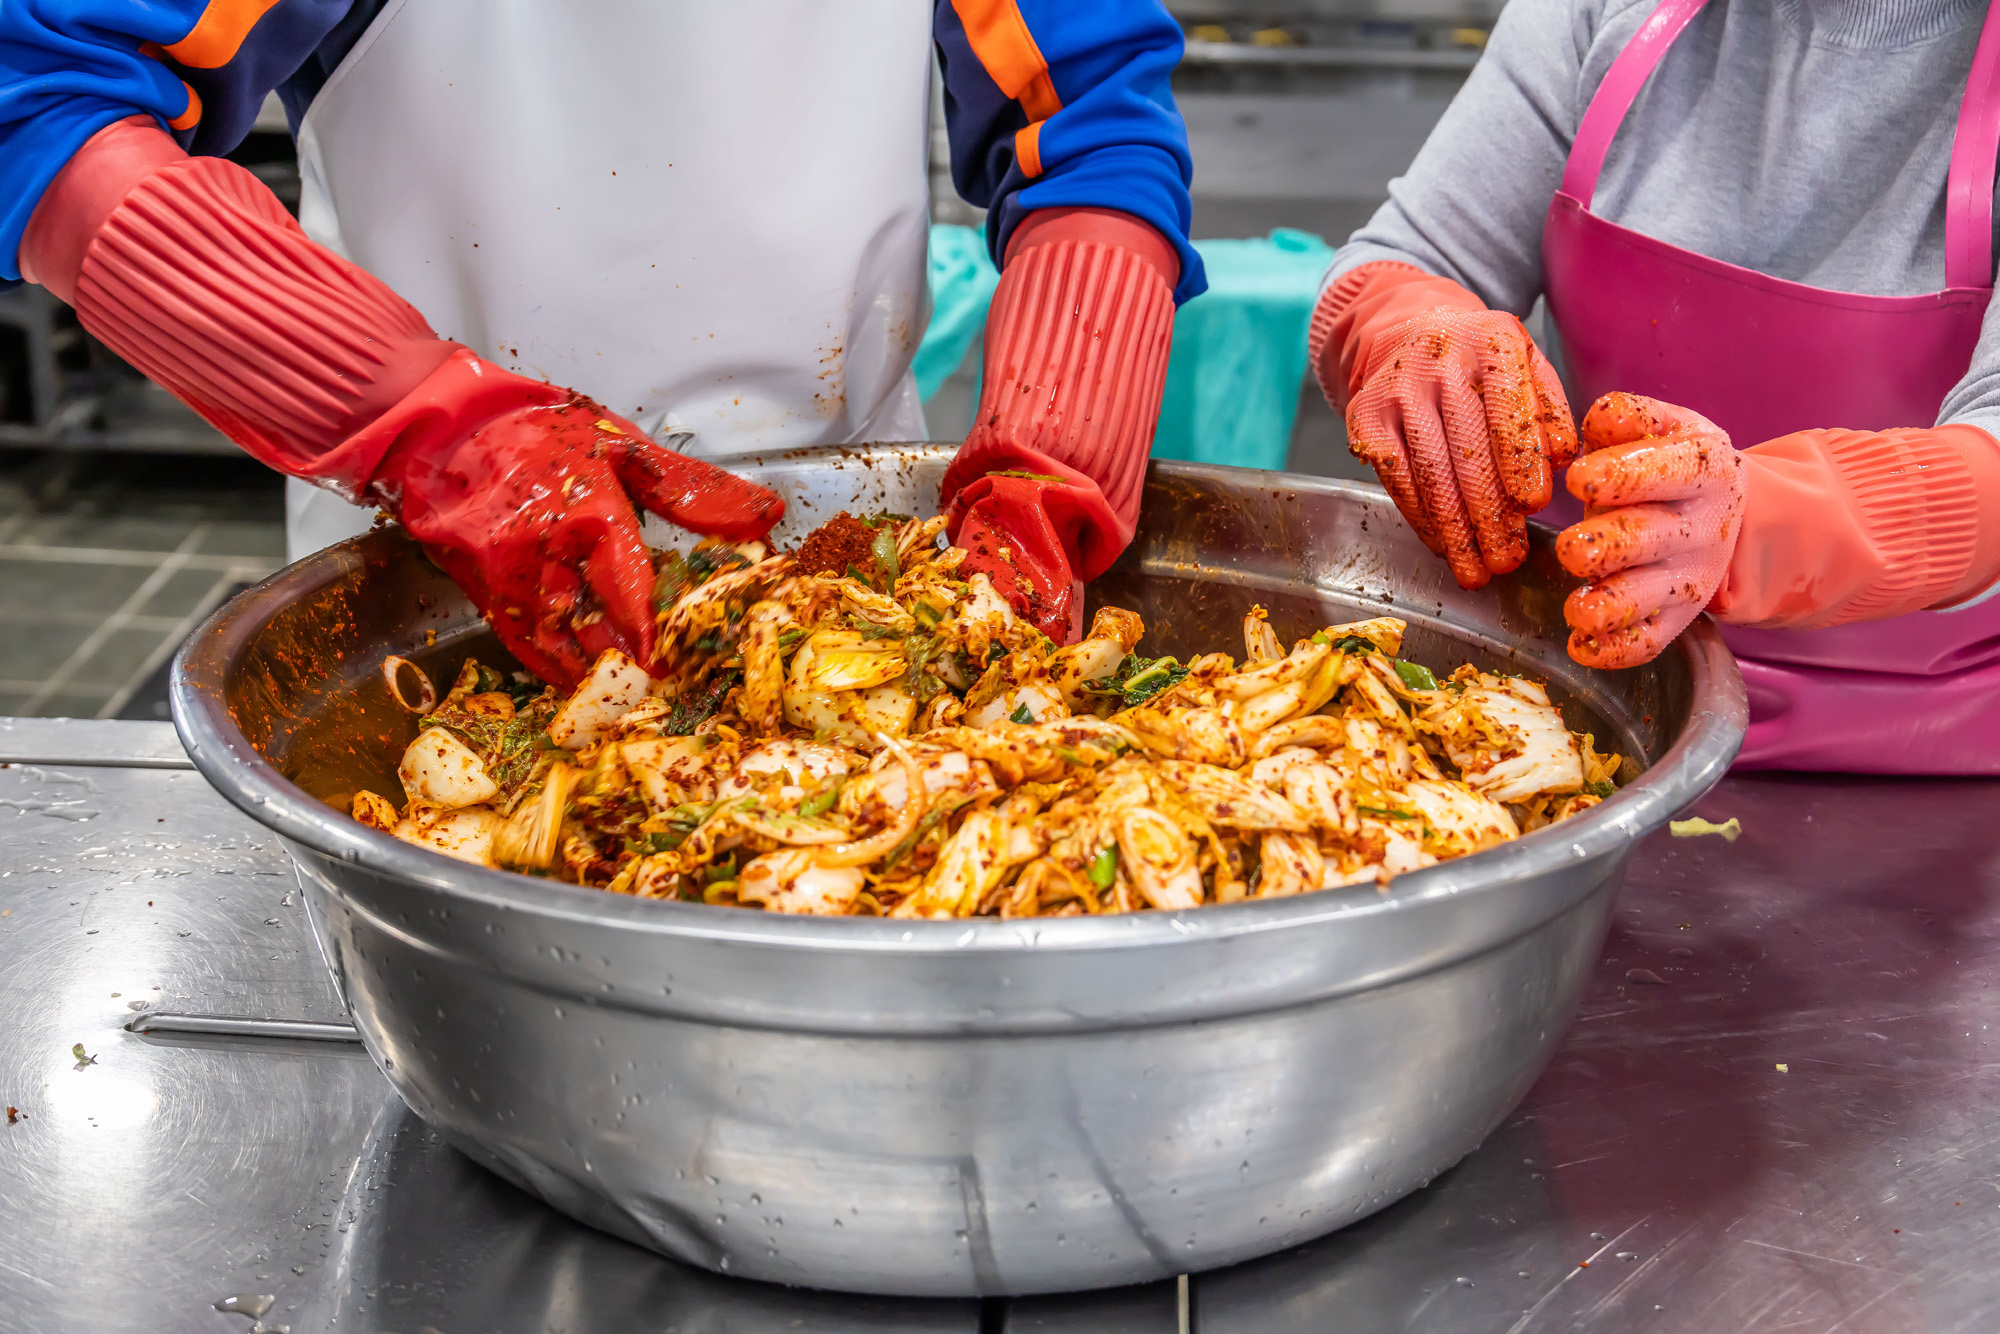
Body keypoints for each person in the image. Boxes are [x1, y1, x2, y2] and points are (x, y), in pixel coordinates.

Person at [0, 0, 1205, 688]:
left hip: (861, 572)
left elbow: (1089, 124)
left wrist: (1052, 456)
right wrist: (421, 420)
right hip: (446, 575)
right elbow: (45, 103)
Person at [1307, 0, 2000, 773]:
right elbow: (1409, 254)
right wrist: (1406, 330)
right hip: (1562, 724)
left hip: (1917, 781)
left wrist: (1760, 524)